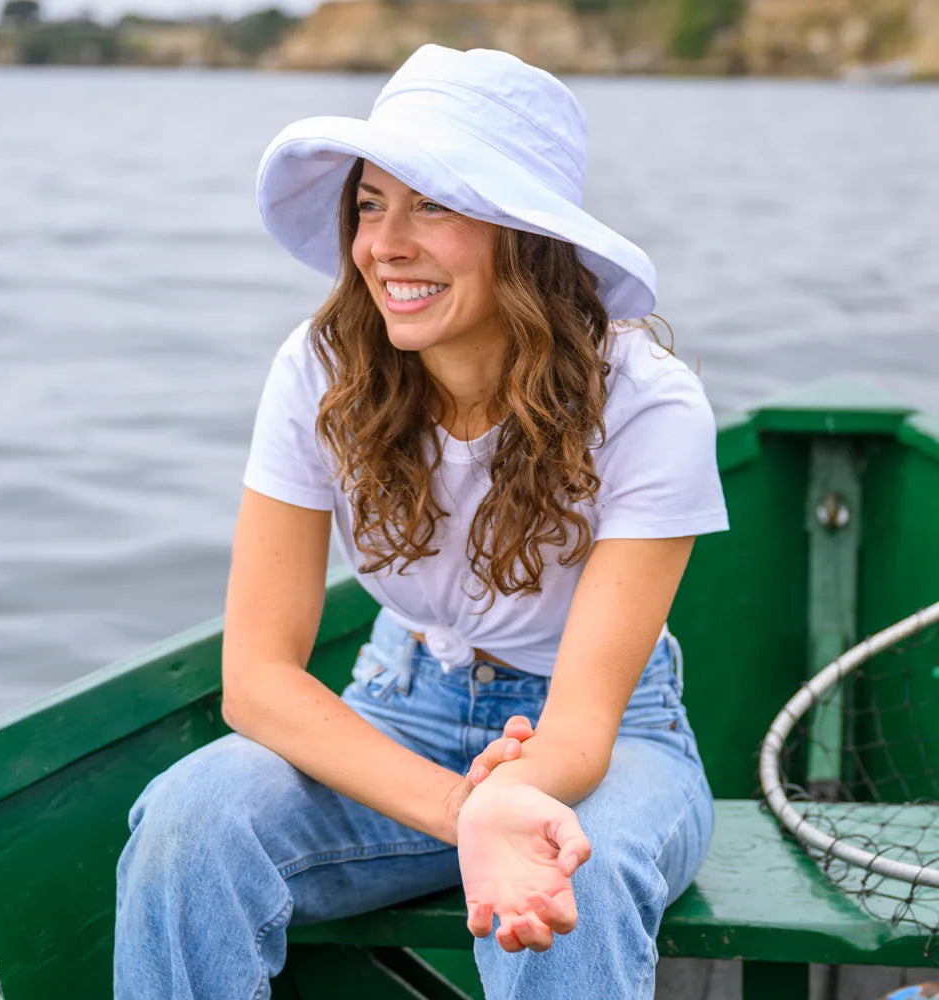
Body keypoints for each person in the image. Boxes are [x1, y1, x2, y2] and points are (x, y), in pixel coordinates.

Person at [114, 44, 729, 1000]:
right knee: (190, 822)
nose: (385, 245)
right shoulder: (321, 370)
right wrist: (464, 811)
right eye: (371, 205)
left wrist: (509, 812)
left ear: (525, 234)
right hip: (397, 709)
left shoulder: (648, 402)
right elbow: (258, 682)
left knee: (569, 875)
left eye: (434, 204)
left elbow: (581, 726)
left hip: (607, 742)